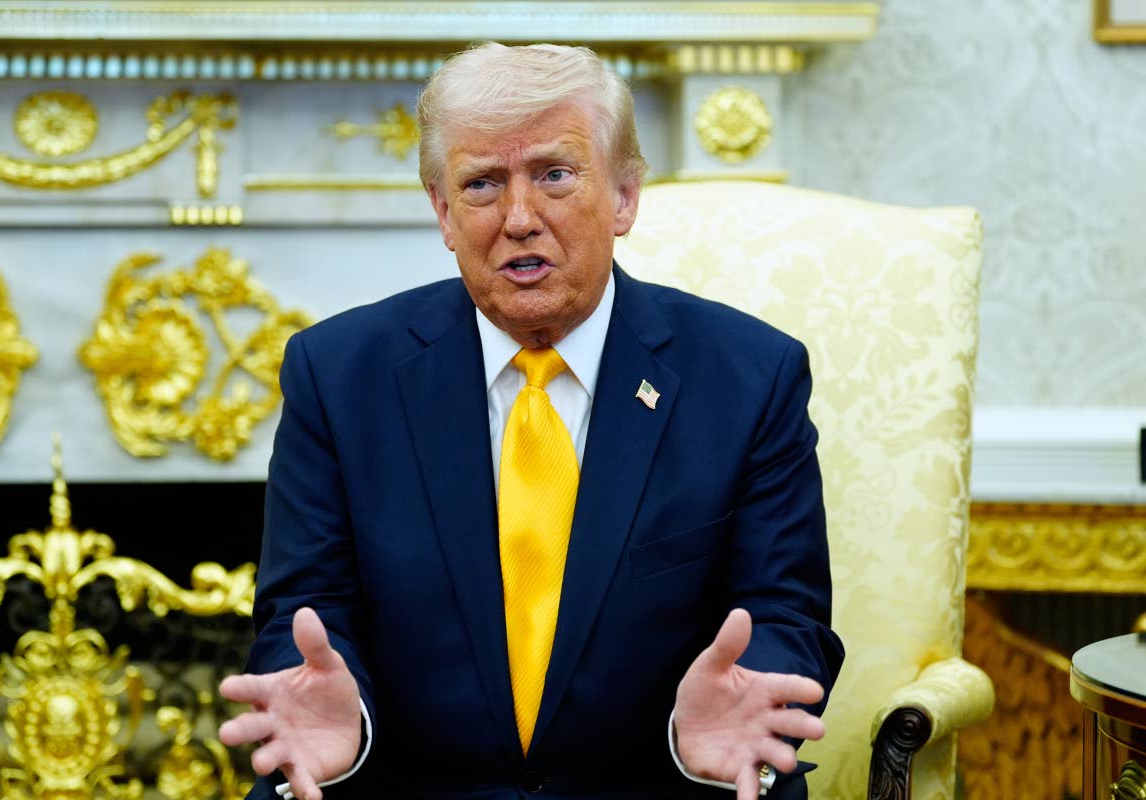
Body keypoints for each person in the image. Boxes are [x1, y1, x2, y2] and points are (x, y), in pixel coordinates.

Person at [218, 42, 844, 800]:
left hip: (663, 786)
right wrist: (339, 725)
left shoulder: (749, 376)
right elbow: (305, 615)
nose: (519, 219)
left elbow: (785, 610)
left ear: (624, 197)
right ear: (443, 213)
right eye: (482, 184)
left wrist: (715, 724)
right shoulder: (337, 374)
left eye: (554, 174)